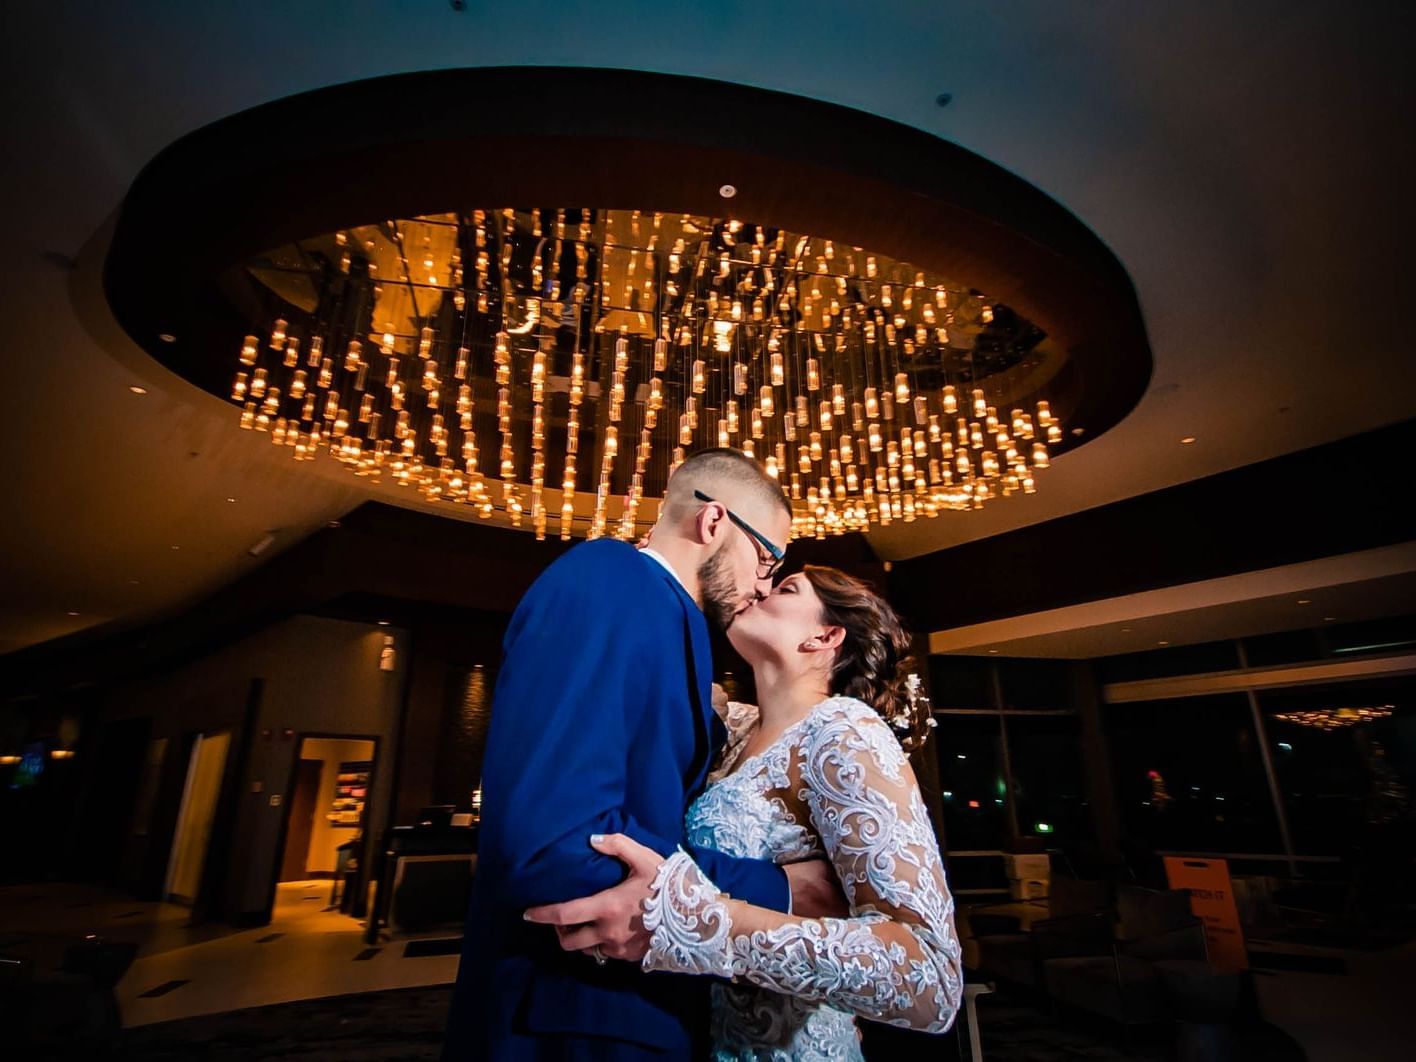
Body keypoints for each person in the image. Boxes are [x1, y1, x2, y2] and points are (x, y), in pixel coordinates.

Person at [441, 449, 845, 1061]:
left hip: (628, 1008)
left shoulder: (665, 616)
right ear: (714, 523)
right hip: (569, 1018)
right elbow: (556, 844)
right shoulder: (611, 579)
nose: (763, 586)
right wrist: (780, 891)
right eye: (767, 559)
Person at [531, 566, 963, 1059]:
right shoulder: (731, 729)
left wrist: (700, 923)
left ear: (825, 635)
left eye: (785, 588)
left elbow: (929, 980)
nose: (760, 589)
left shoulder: (844, 730)